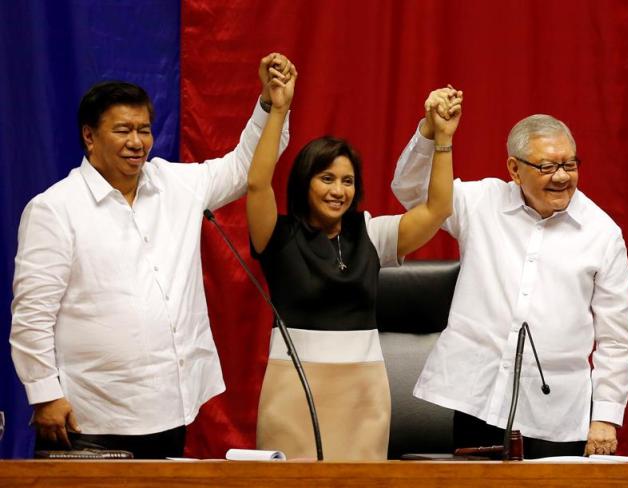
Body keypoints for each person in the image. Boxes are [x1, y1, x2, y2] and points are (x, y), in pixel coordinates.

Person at [10, 53, 294, 459]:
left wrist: (270, 104)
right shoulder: (55, 209)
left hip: (169, 410)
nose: (137, 142)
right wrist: (44, 395)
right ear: (89, 136)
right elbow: (32, 316)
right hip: (89, 419)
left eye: (144, 130)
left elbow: (243, 167)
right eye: (123, 130)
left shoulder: (175, 184)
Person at [391, 112, 628, 458]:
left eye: (570, 164)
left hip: (557, 413)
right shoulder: (480, 203)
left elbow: (615, 337)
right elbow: (412, 191)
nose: (562, 176)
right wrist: (429, 133)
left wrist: (606, 417)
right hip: (478, 401)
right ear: (514, 169)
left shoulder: (602, 233)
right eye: (547, 167)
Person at [246, 72, 463, 459]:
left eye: (347, 180)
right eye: (326, 178)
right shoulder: (275, 235)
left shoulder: (371, 233)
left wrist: (442, 139)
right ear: (304, 183)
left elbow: (437, 209)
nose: (338, 190)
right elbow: (258, 185)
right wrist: (279, 109)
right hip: (294, 390)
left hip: (364, 394)